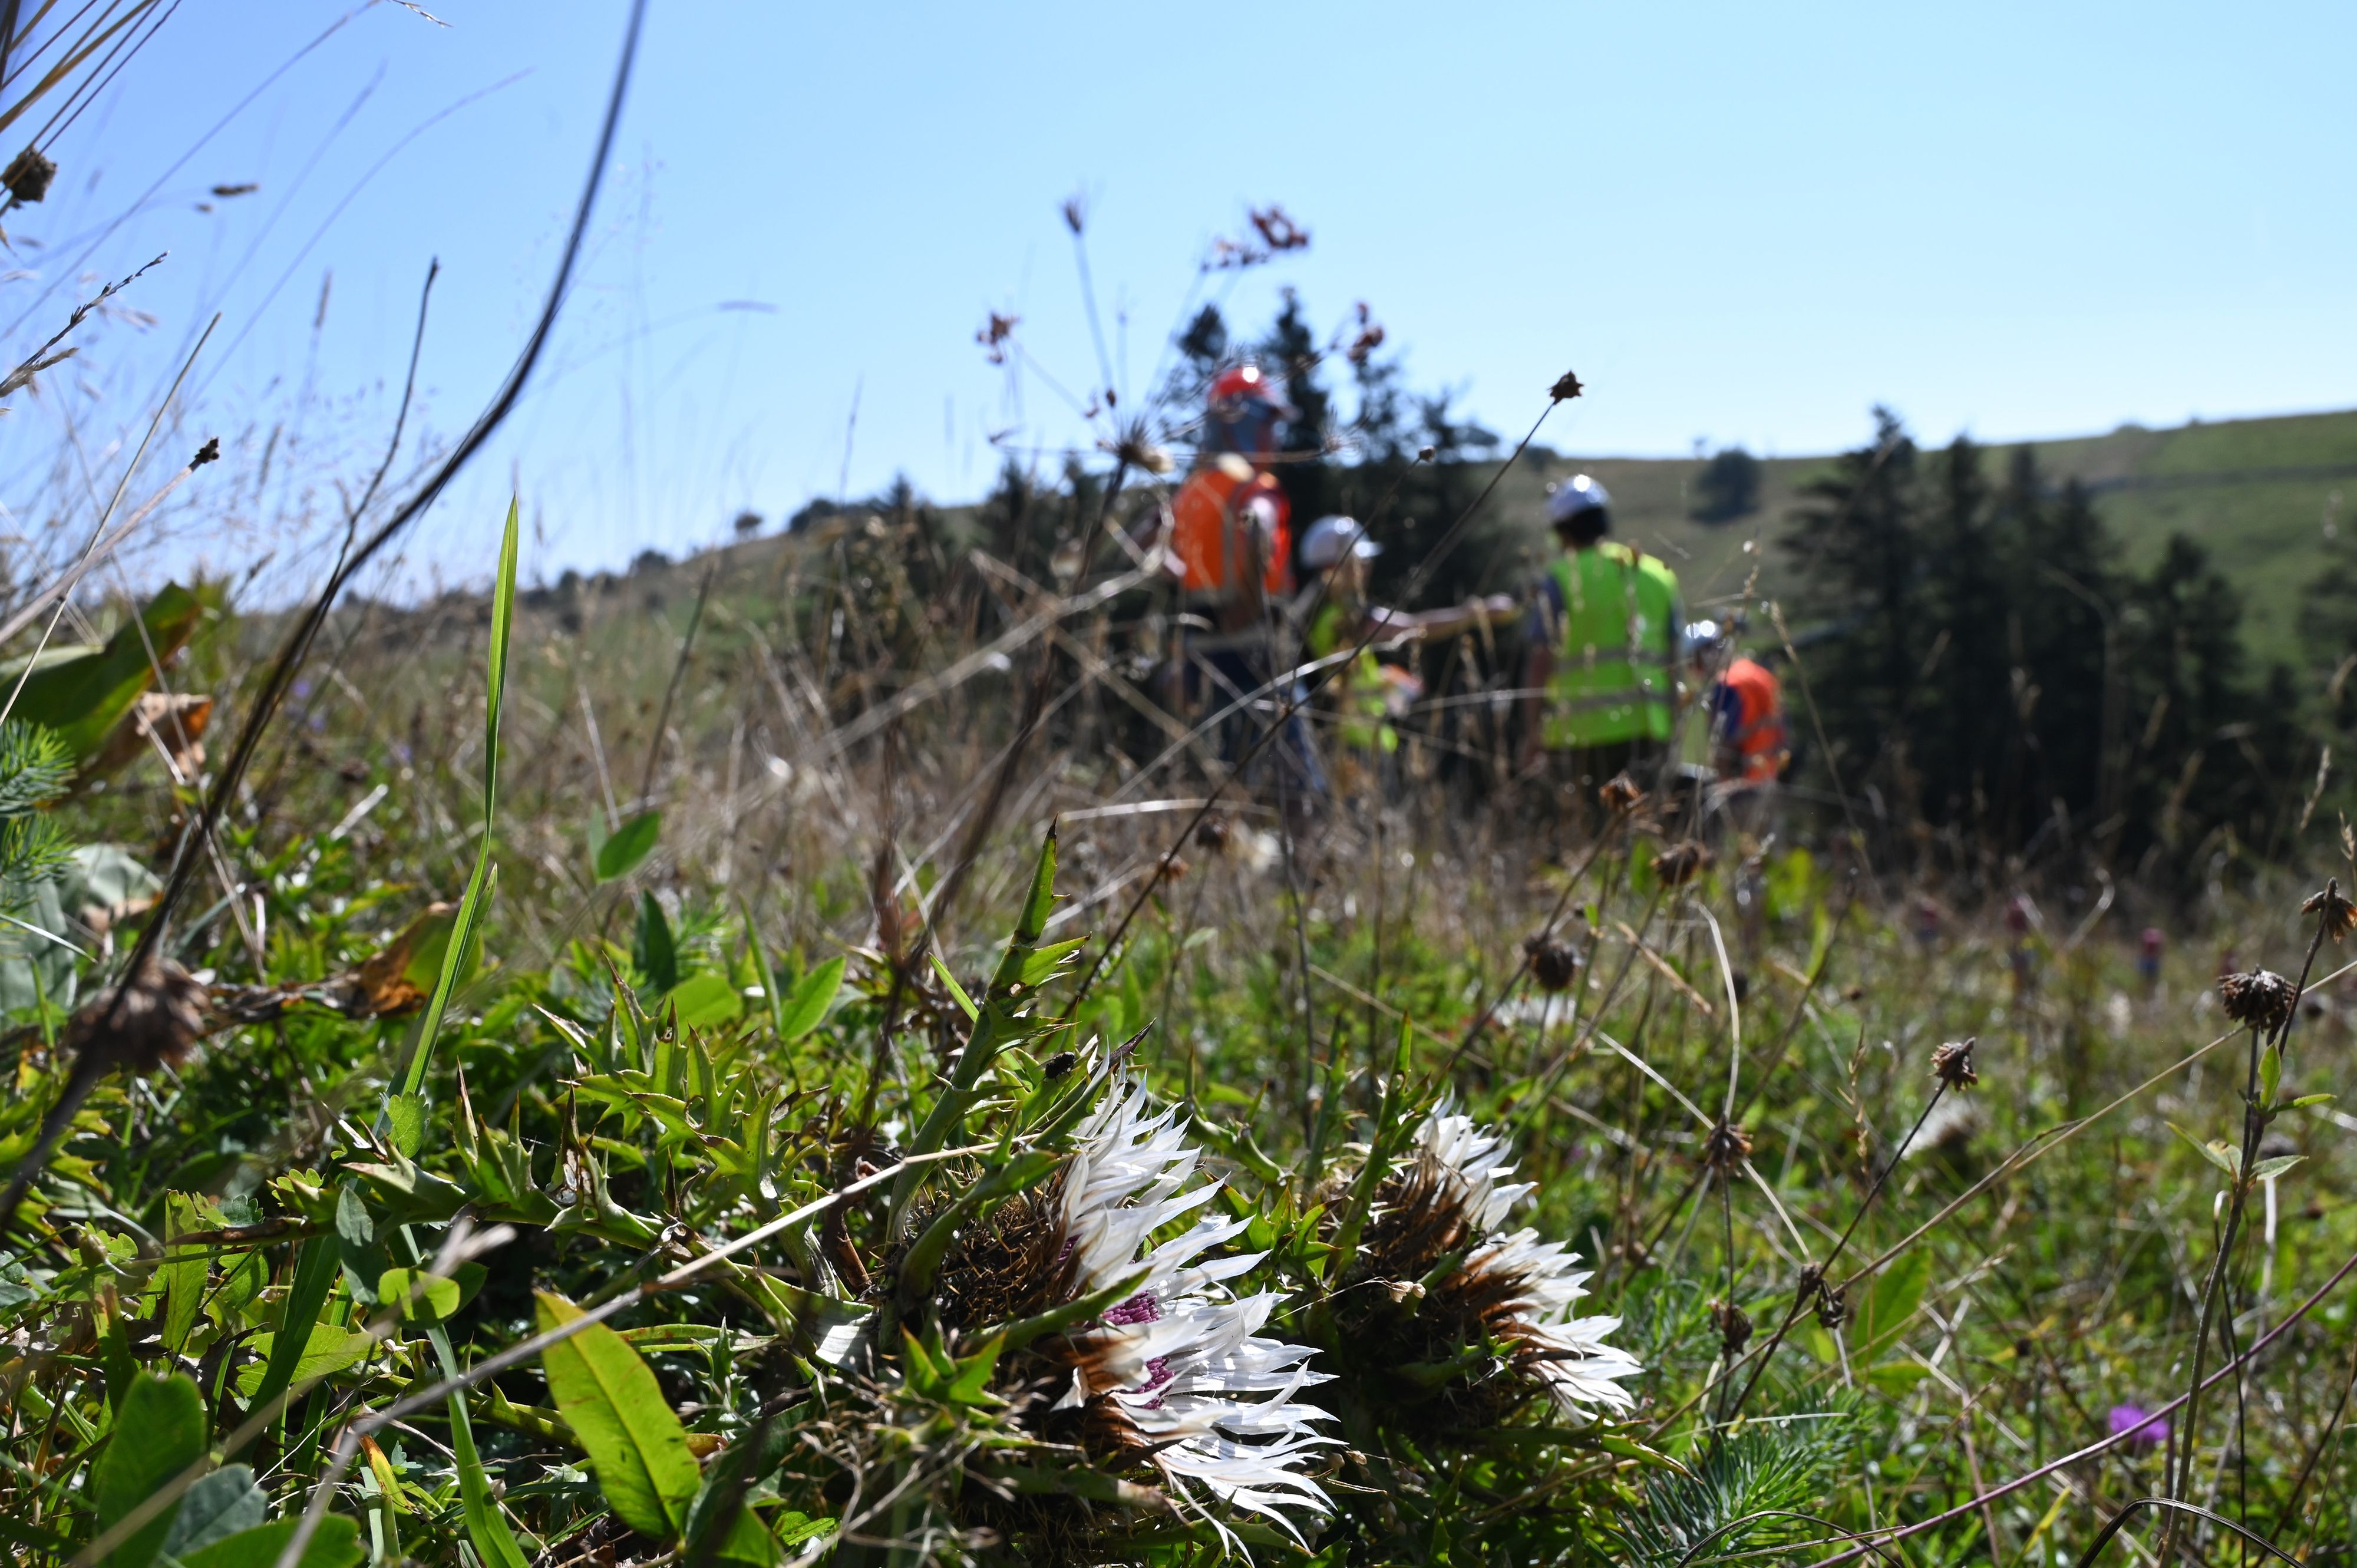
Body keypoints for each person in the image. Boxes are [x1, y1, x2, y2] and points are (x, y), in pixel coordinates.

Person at [1164, 364, 1325, 817]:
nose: (1273, 437)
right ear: (1243, 423)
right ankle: (1306, 882)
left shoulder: (1191, 491)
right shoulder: (1255, 490)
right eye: (1268, 423)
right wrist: (1248, 609)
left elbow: (1149, 545)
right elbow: (1258, 533)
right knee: (1296, 788)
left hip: (1198, 656)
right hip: (1257, 655)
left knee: (1215, 792)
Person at [1293, 514, 1514, 781]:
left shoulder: (1321, 616)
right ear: (1334, 568)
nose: (1367, 566)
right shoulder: (1341, 618)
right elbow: (1411, 628)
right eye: (1359, 561)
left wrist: (1384, 681)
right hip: (1355, 745)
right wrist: (1476, 613)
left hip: (1357, 740)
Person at [1516, 474, 1682, 828]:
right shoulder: (1658, 576)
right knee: (1639, 832)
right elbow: (1674, 661)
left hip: (1580, 736)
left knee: (1587, 835)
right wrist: (1673, 729)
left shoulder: (1559, 577)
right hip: (1648, 730)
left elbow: (1540, 662)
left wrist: (1532, 733)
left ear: (1563, 531)